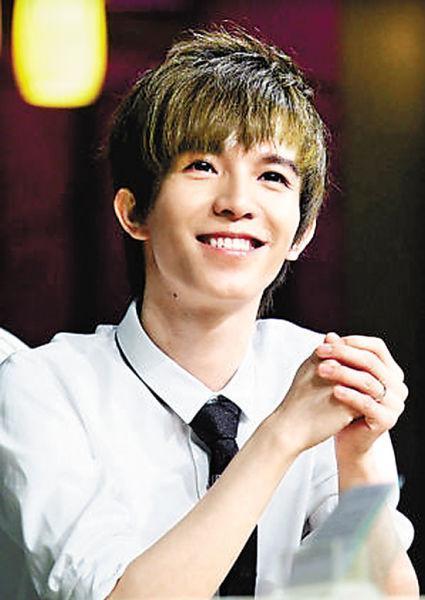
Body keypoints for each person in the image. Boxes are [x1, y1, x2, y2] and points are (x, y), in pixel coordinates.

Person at [0, 27, 419, 599]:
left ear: (301, 233)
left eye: (272, 177)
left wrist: (360, 455)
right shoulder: (41, 388)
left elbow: (366, 592)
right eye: (201, 166)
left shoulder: (316, 372)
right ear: (134, 213)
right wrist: (279, 436)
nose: (238, 203)